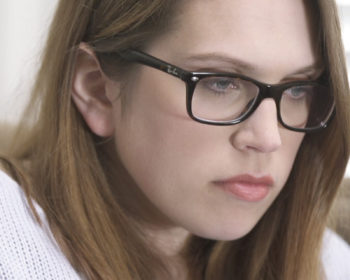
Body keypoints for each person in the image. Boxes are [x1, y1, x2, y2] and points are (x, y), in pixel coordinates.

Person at [1, 0, 350, 279]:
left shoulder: (328, 262)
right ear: (98, 90)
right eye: (221, 82)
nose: (268, 138)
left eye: (299, 88)